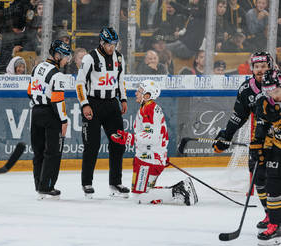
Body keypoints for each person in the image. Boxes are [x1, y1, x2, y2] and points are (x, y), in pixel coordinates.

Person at [212, 51, 274, 231]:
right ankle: (271, 214)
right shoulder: (247, 89)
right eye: (257, 66)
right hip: (259, 138)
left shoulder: (278, 83)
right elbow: (239, 115)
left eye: (264, 66)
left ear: (270, 66)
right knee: (258, 175)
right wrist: (226, 135)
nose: (260, 70)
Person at [111, 80, 198, 205]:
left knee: (139, 196)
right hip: (153, 158)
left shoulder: (148, 110)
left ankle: (178, 191)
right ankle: (179, 190)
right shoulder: (151, 107)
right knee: (145, 192)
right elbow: (158, 134)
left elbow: (152, 136)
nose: (136, 93)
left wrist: (128, 138)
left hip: (148, 160)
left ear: (147, 96)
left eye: (139, 91)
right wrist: (161, 154)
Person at [75, 27, 129, 198]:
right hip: (93, 104)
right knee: (92, 145)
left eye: (115, 44)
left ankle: (115, 183)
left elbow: (121, 80)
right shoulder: (90, 58)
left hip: (112, 104)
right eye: (109, 44)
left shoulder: (119, 58)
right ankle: (87, 183)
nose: (112, 47)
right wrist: (84, 104)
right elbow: (80, 83)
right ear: (101, 42)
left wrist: (123, 99)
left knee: (118, 143)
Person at [27, 39, 72, 199]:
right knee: (53, 152)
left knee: (38, 151)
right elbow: (58, 100)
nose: (68, 59)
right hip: (51, 115)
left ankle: (39, 184)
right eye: (66, 56)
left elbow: (29, 92)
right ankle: (47, 186)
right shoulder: (57, 75)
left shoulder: (36, 67)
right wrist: (64, 120)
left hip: (36, 112)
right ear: (58, 55)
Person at [250, 69, 281, 245]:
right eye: (268, 91)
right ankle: (276, 224)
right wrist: (258, 148)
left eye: (275, 91)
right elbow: (261, 127)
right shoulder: (264, 101)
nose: (272, 95)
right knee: (273, 185)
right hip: (276, 146)